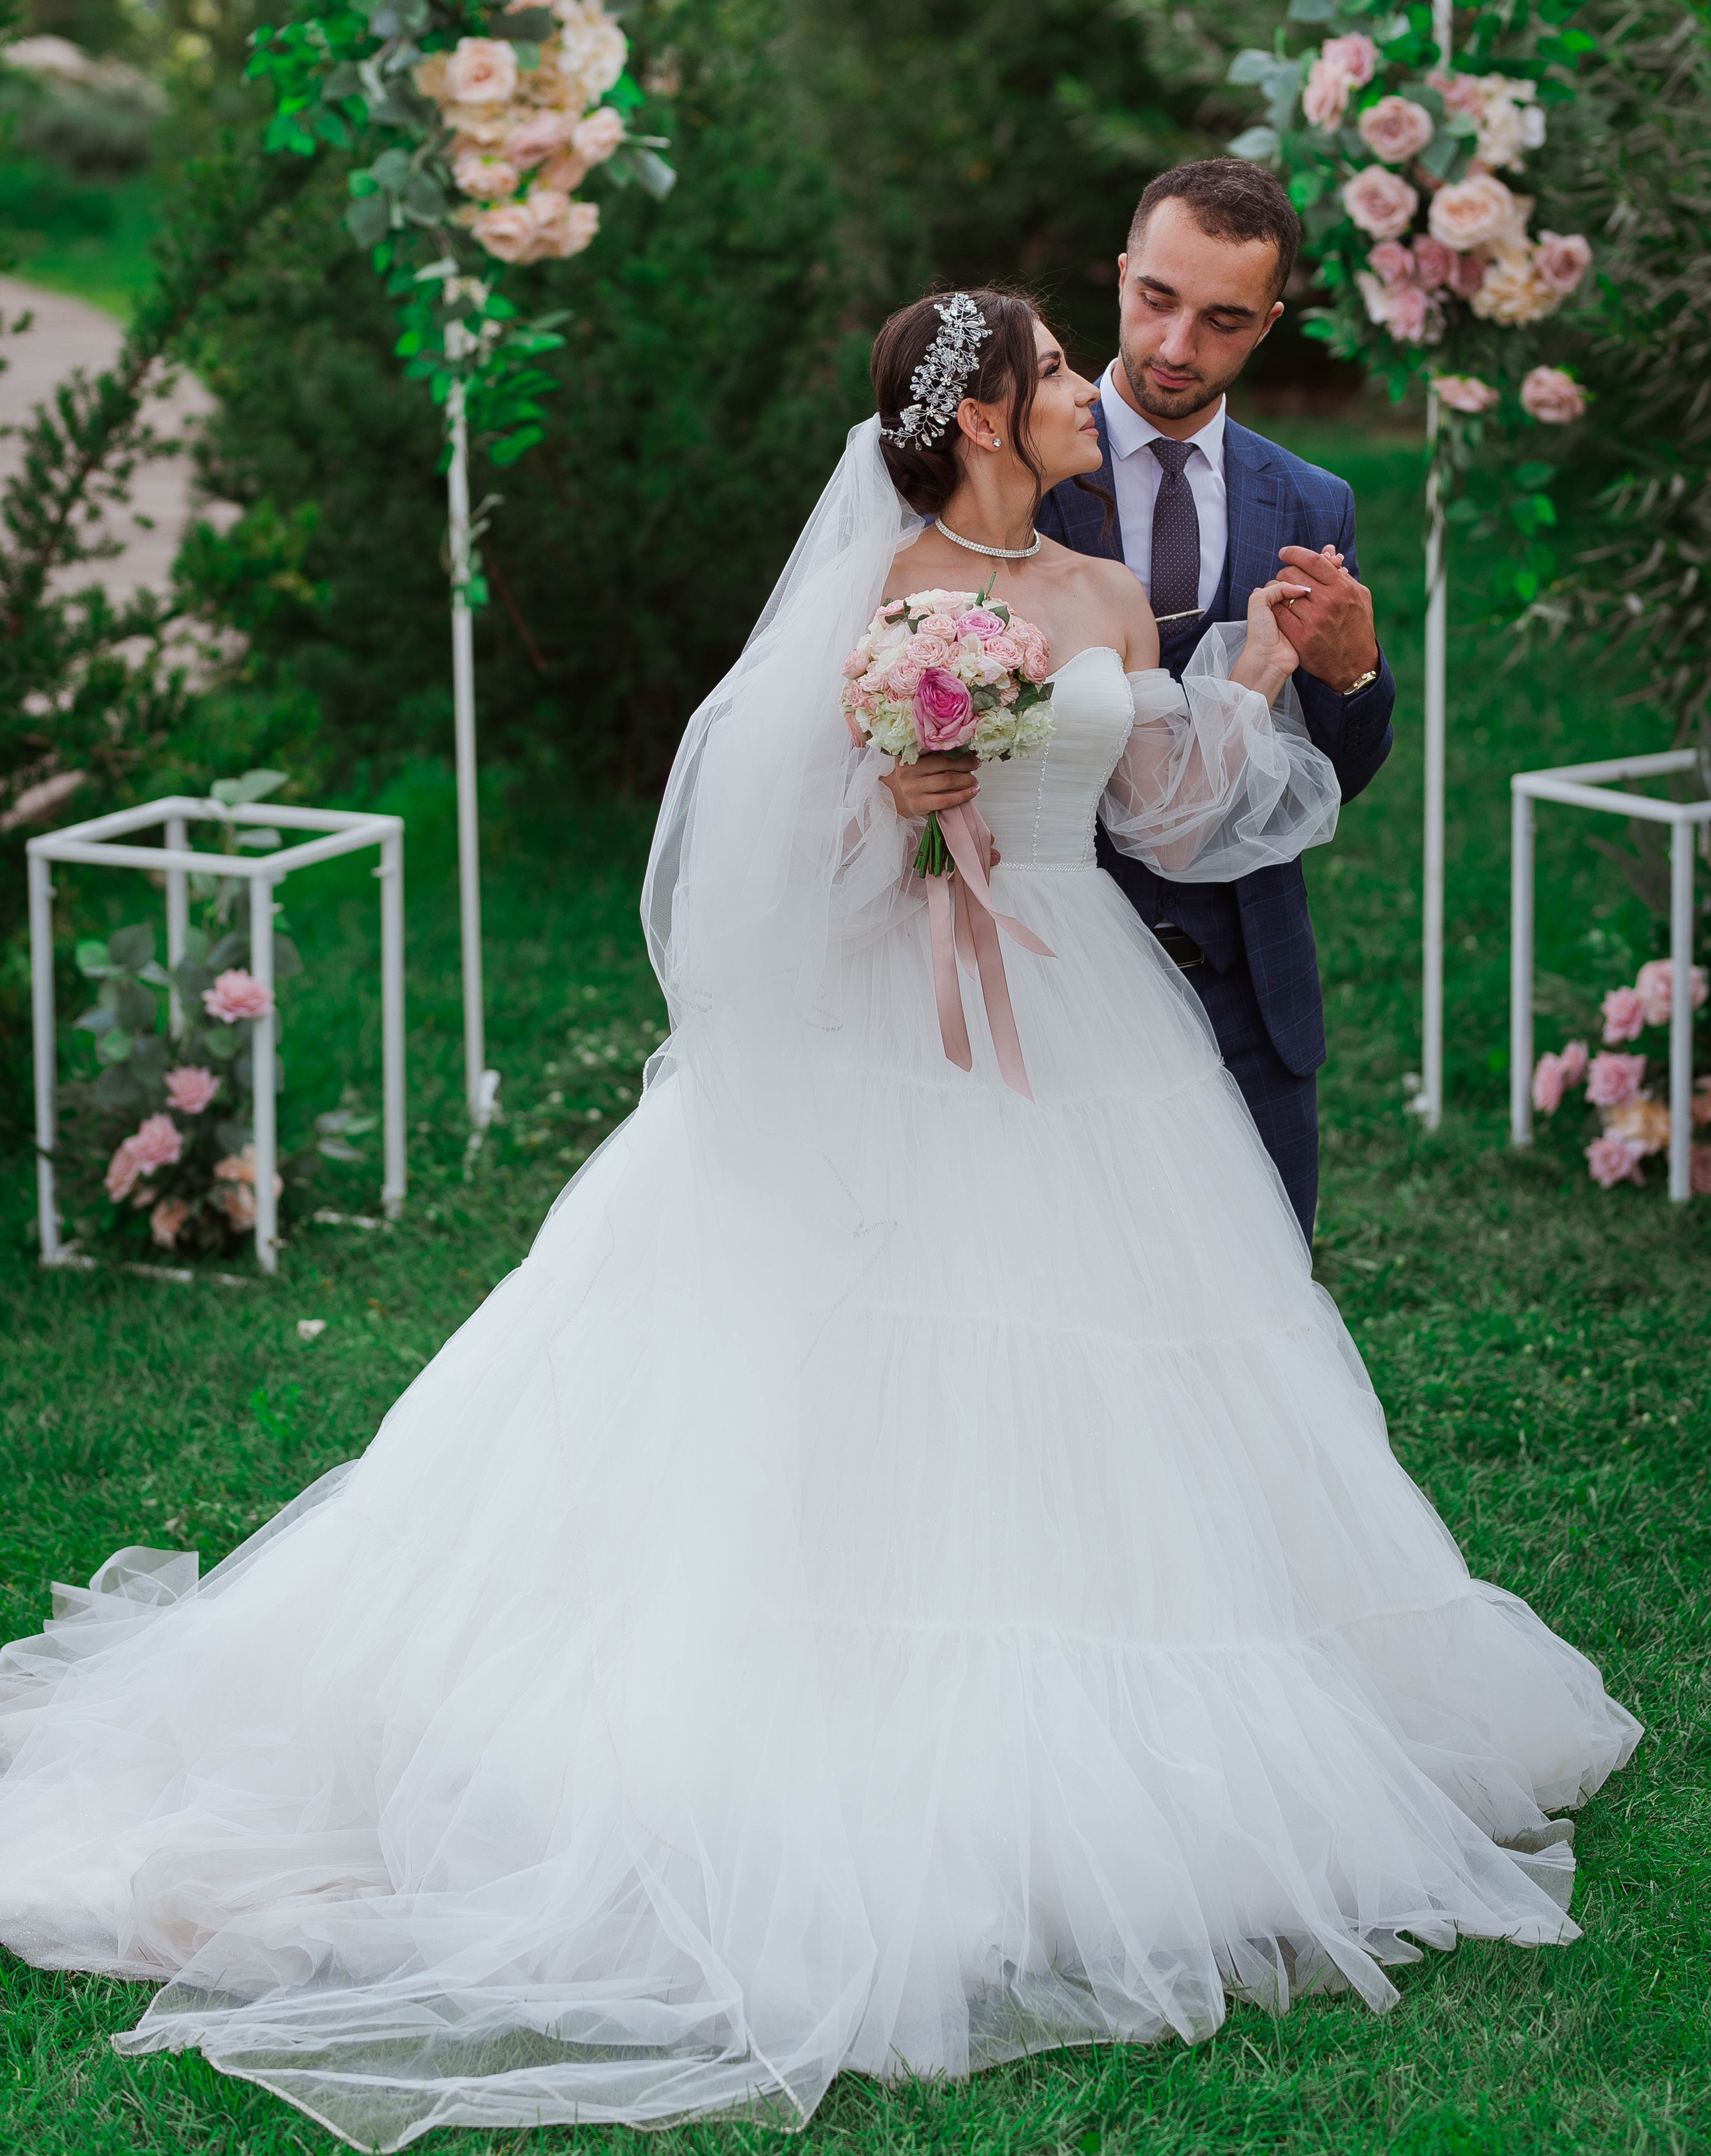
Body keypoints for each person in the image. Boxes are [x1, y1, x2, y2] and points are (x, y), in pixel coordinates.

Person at [0, 292, 1636, 2152]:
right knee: (826, 1369)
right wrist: (902, 805)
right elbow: (754, 875)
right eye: (1054, 373)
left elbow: (1168, 811)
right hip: (885, 1029)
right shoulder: (884, 591)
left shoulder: (1099, 596)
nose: (1092, 391)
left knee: (1123, 1381)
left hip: (1078, 1016)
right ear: (991, 416)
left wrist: (1254, 668)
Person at [1038, 157, 1396, 1241]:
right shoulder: (1011, 470)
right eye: (1157, 300)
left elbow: (1334, 773)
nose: (1176, 347)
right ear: (1120, 274)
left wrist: (1356, 672)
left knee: (1261, 1285)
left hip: (1250, 991)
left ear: (1269, 323)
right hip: (1059, 988)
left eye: (1224, 320)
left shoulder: (1310, 498)